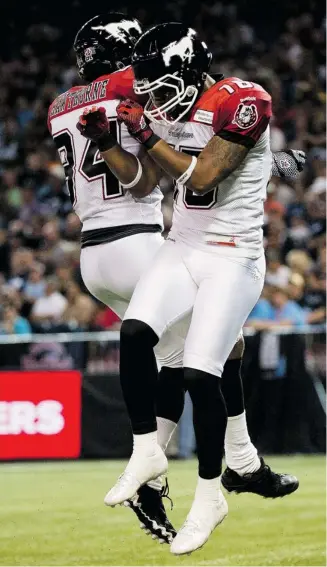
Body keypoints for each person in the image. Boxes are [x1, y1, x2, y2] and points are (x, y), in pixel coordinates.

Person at [50, 14, 304, 549]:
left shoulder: (61, 105)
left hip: (94, 254)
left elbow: (206, 151)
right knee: (198, 362)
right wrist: (278, 159)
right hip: (144, 238)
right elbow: (189, 157)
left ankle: (223, 461)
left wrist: (268, 159)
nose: (147, 89)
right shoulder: (133, 91)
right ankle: (177, 467)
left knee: (204, 353)